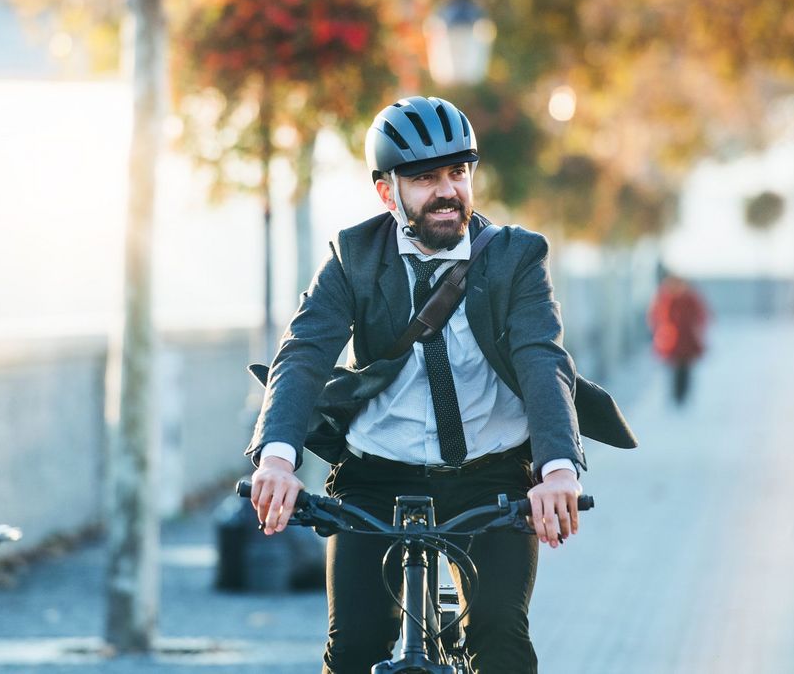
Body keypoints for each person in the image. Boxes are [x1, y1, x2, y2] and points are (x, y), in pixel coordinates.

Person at [244, 96, 611, 673]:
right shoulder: (354, 256)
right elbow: (304, 352)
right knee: (354, 648)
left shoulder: (517, 257)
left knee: (500, 638)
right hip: (376, 473)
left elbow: (543, 358)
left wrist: (556, 470)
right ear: (387, 192)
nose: (447, 191)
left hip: (490, 473)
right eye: (423, 179)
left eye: (457, 173)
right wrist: (277, 460)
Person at [648, 274, 709, 405]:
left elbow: (701, 317)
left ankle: (683, 395)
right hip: (671, 341)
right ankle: (676, 395)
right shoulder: (665, 299)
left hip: (687, 340)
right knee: (674, 370)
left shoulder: (690, 299)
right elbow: (655, 317)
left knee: (685, 369)